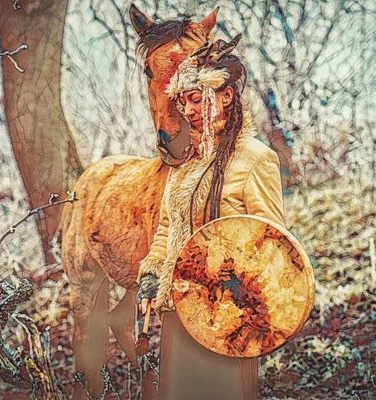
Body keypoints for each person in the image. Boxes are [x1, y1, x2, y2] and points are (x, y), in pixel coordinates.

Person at [136, 35, 286, 400]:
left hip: (228, 315)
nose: (186, 110)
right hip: (179, 311)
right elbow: (168, 229)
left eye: (194, 99)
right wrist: (151, 278)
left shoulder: (256, 159)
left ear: (226, 96)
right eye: (181, 100)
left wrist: (234, 284)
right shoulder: (185, 162)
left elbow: (273, 241)